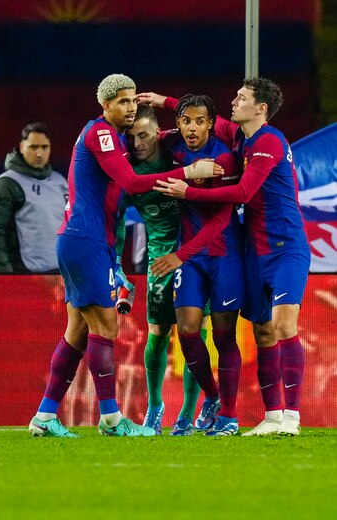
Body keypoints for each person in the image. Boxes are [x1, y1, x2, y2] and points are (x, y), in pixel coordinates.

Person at [27, 73, 222, 438]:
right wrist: (189, 172)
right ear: (106, 105)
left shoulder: (119, 138)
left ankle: (45, 415)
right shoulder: (102, 133)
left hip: (85, 240)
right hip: (86, 240)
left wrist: (167, 105)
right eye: (123, 101)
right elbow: (131, 183)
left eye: (133, 100)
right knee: (107, 327)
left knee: (77, 332)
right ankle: (113, 420)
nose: (131, 108)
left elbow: (197, 122)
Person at [149, 77, 309, 436]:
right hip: (254, 250)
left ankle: (293, 418)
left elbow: (242, 192)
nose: (233, 102)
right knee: (264, 331)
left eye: (241, 97)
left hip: (285, 248)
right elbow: (198, 115)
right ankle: (272, 416)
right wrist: (162, 100)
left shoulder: (268, 140)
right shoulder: (241, 137)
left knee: (284, 326)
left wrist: (188, 191)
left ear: (261, 108)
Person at [148, 94, 244, 436]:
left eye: (199, 121)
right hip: (190, 256)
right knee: (187, 330)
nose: (191, 128)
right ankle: (214, 397)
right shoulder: (171, 143)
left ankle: (229, 418)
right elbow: (145, 135)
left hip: (223, 255)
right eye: (186, 121)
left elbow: (221, 220)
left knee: (223, 336)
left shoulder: (224, 159)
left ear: (210, 123)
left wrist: (179, 255)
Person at [122, 104, 205, 435]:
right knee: (157, 334)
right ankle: (154, 406)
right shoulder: (126, 171)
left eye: (143, 135)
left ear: (157, 133)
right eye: (131, 137)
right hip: (159, 259)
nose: (137, 143)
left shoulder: (180, 154)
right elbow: (111, 213)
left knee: (195, 336)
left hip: (196, 258)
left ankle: (187, 412)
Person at [0, 122, 68, 273]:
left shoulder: (60, 182)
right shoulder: (7, 184)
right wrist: (6, 276)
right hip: (26, 274)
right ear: (22, 147)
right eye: (33, 147)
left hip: (60, 274)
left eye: (44, 147)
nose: (39, 154)